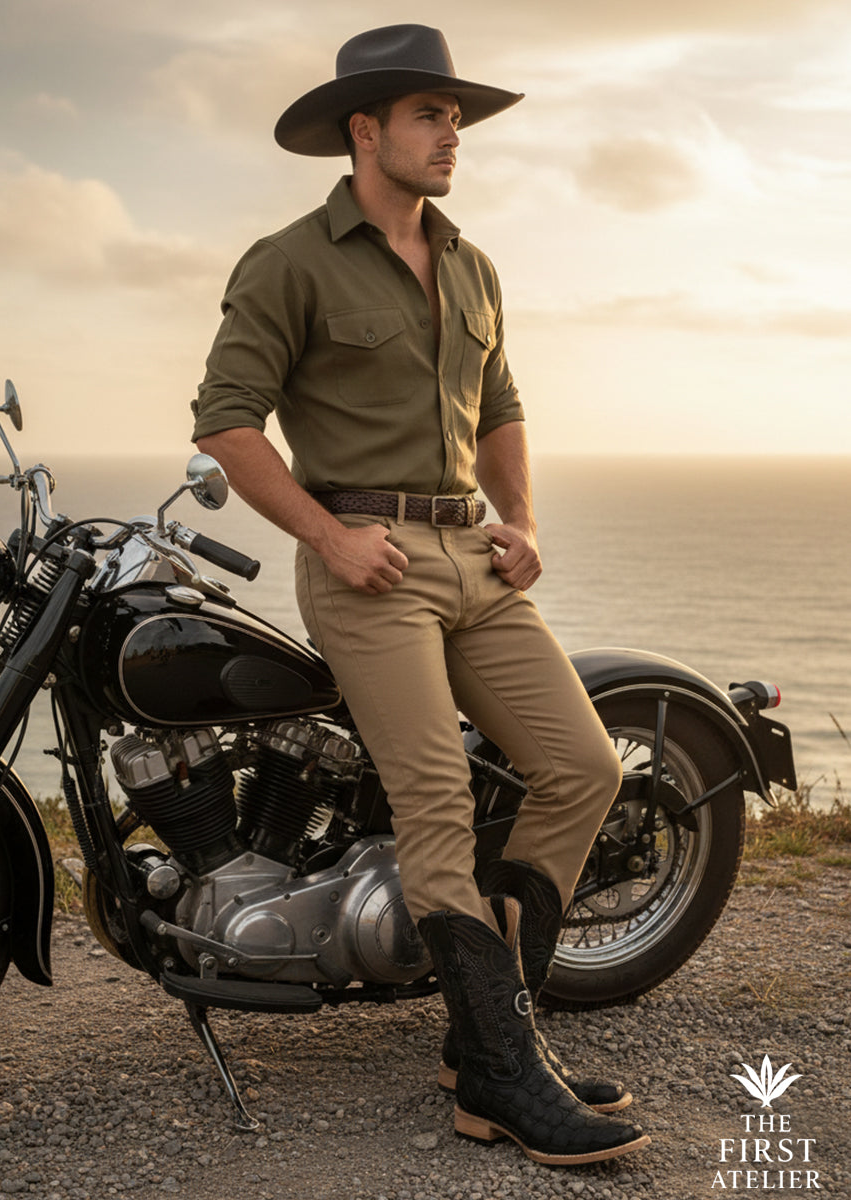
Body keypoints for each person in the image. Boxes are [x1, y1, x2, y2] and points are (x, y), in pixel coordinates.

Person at [192, 24, 649, 1166]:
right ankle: (501, 1074)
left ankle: (490, 1042)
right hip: (368, 564)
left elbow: (503, 407)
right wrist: (328, 540)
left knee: (584, 767)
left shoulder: (472, 264)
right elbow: (227, 425)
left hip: (472, 555)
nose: (453, 136)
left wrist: (523, 520)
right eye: (431, 115)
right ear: (366, 130)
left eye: (455, 117)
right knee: (437, 804)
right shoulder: (289, 260)